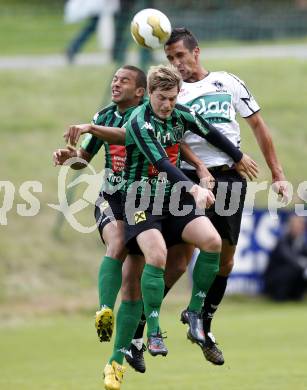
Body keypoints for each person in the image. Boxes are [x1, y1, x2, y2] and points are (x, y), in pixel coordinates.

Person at [65, 64, 258, 389]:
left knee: (208, 243)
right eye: (162, 98)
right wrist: (194, 185)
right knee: (135, 275)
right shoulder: (137, 121)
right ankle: (122, 350)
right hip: (137, 200)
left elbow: (208, 133)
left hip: (170, 200)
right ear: (148, 95)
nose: (168, 105)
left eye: (172, 98)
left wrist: (236, 156)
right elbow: (162, 162)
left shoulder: (177, 114)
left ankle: (192, 314)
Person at [149, 27, 289, 366]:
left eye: (180, 56)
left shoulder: (227, 82)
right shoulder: (172, 93)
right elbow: (170, 135)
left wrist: (278, 174)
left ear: (196, 52)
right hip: (190, 180)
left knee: (225, 262)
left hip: (229, 178)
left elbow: (258, 126)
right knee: (178, 260)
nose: (176, 63)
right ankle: (143, 322)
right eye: (170, 58)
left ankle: (202, 324)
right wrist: (198, 169)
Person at [53, 64, 147, 343]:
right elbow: (84, 158)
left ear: (140, 91)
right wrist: (67, 158)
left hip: (143, 200)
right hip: (110, 196)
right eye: (115, 79)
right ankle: (105, 310)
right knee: (116, 243)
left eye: (125, 81)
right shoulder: (105, 114)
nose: (116, 84)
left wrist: (91, 127)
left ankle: (130, 345)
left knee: (134, 281)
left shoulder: (145, 116)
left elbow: (128, 136)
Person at [264, 215, 307, 301]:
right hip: (275, 279)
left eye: (300, 227)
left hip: (292, 278)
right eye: (296, 227)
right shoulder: (282, 240)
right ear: (290, 227)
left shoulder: (302, 242)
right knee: (293, 270)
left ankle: (296, 295)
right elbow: (290, 258)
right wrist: (304, 264)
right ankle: (279, 296)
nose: (298, 229)